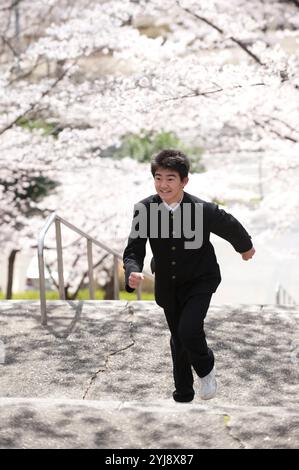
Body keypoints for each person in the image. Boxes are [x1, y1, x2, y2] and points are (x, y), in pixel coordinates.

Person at [123, 149, 255, 403]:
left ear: (184, 181)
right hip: (168, 284)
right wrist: (133, 270)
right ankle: (183, 390)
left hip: (200, 279)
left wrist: (245, 247)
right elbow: (134, 248)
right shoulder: (145, 209)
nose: (163, 184)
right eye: (158, 178)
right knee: (178, 337)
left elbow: (228, 223)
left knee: (189, 329)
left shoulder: (201, 209)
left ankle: (206, 367)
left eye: (170, 178)